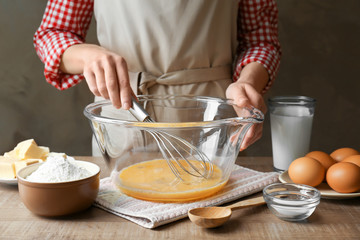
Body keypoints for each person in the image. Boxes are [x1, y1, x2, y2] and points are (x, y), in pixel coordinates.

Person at [34, 0, 281, 155]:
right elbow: (53, 34)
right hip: (123, 116)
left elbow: (260, 41)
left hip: (212, 121)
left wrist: (248, 83)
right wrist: (87, 56)